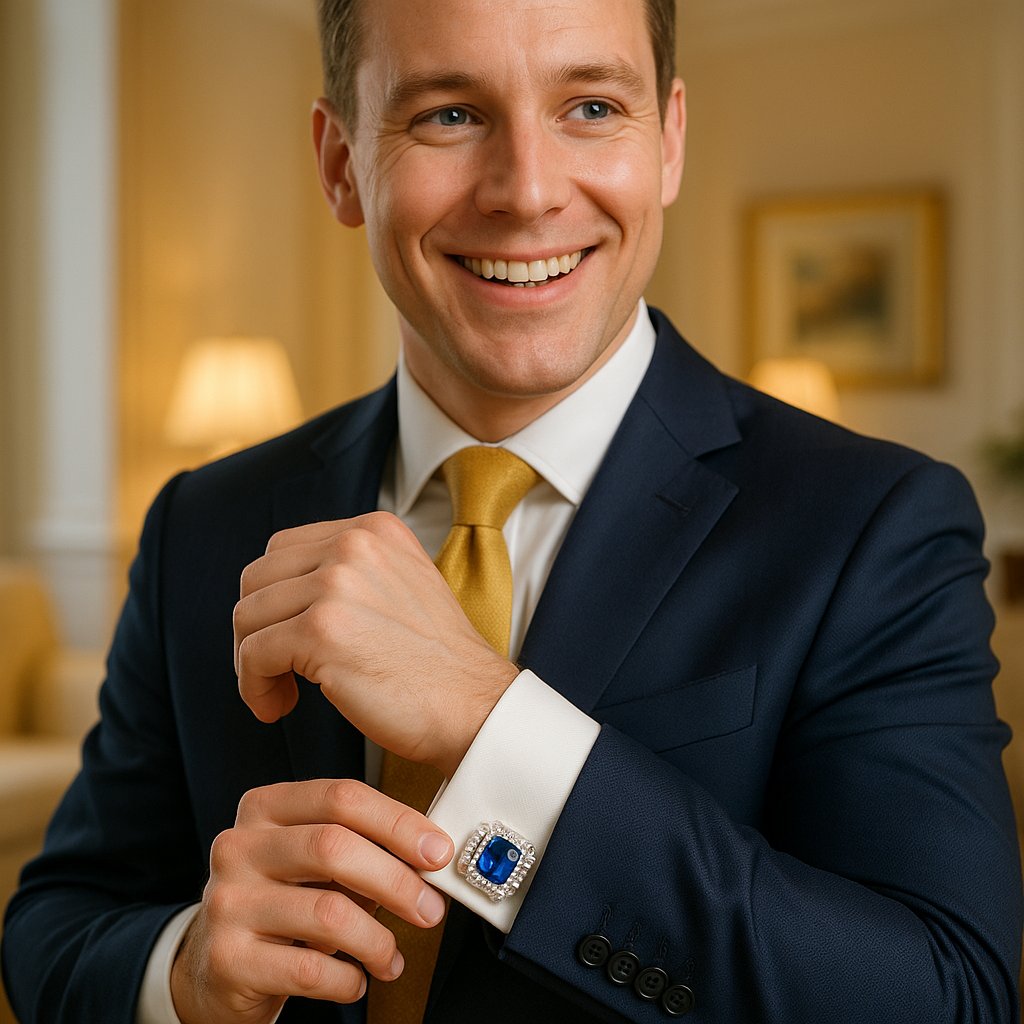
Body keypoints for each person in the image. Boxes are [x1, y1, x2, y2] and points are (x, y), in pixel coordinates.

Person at [3, 0, 1021, 1020]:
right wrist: (183, 972)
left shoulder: (877, 523)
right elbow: (59, 924)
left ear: (665, 140)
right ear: (340, 160)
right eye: (448, 114)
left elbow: (947, 995)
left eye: (588, 105)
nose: (527, 192)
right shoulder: (205, 519)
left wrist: (492, 729)